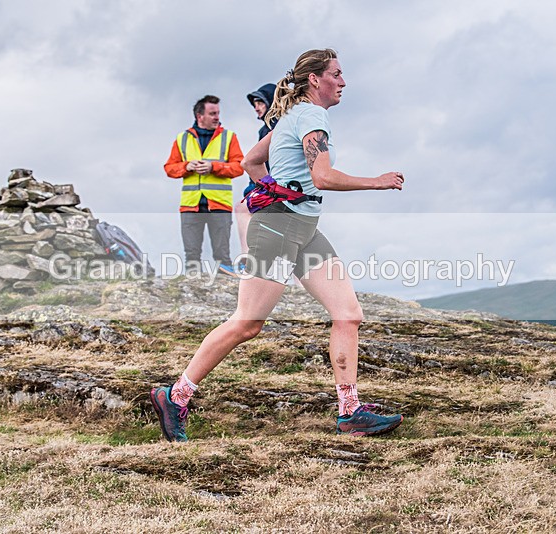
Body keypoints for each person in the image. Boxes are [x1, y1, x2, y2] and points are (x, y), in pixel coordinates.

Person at [151, 49, 405, 442]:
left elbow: (252, 161)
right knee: (247, 323)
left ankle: (350, 411)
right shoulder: (310, 116)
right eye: (336, 74)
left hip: (302, 228)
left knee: (348, 313)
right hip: (277, 229)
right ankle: (175, 396)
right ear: (315, 79)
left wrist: (273, 187)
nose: (343, 82)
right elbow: (322, 177)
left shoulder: (292, 116)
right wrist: (377, 181)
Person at [164, 94, 244, 276]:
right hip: (190, 206)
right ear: (200, 116)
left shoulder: (229, 137)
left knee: (222, 256)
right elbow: (169, 168)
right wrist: (186, 166)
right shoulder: (182, 139)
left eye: (218, 113)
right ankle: (192, 293)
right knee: (191, 255)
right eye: (212, 113)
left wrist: (213, 167)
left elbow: (240, 167)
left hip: (219, 204)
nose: (217, 117)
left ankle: (228, 296)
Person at [235, 83, 277, 271]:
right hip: (272, 186)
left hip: (277, 187)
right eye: (255, 104)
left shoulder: (275, 127)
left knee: (243, 209)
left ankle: (248, 261)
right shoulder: (266, 129)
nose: (256, 107)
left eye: (260, 102)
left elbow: (261, 162)